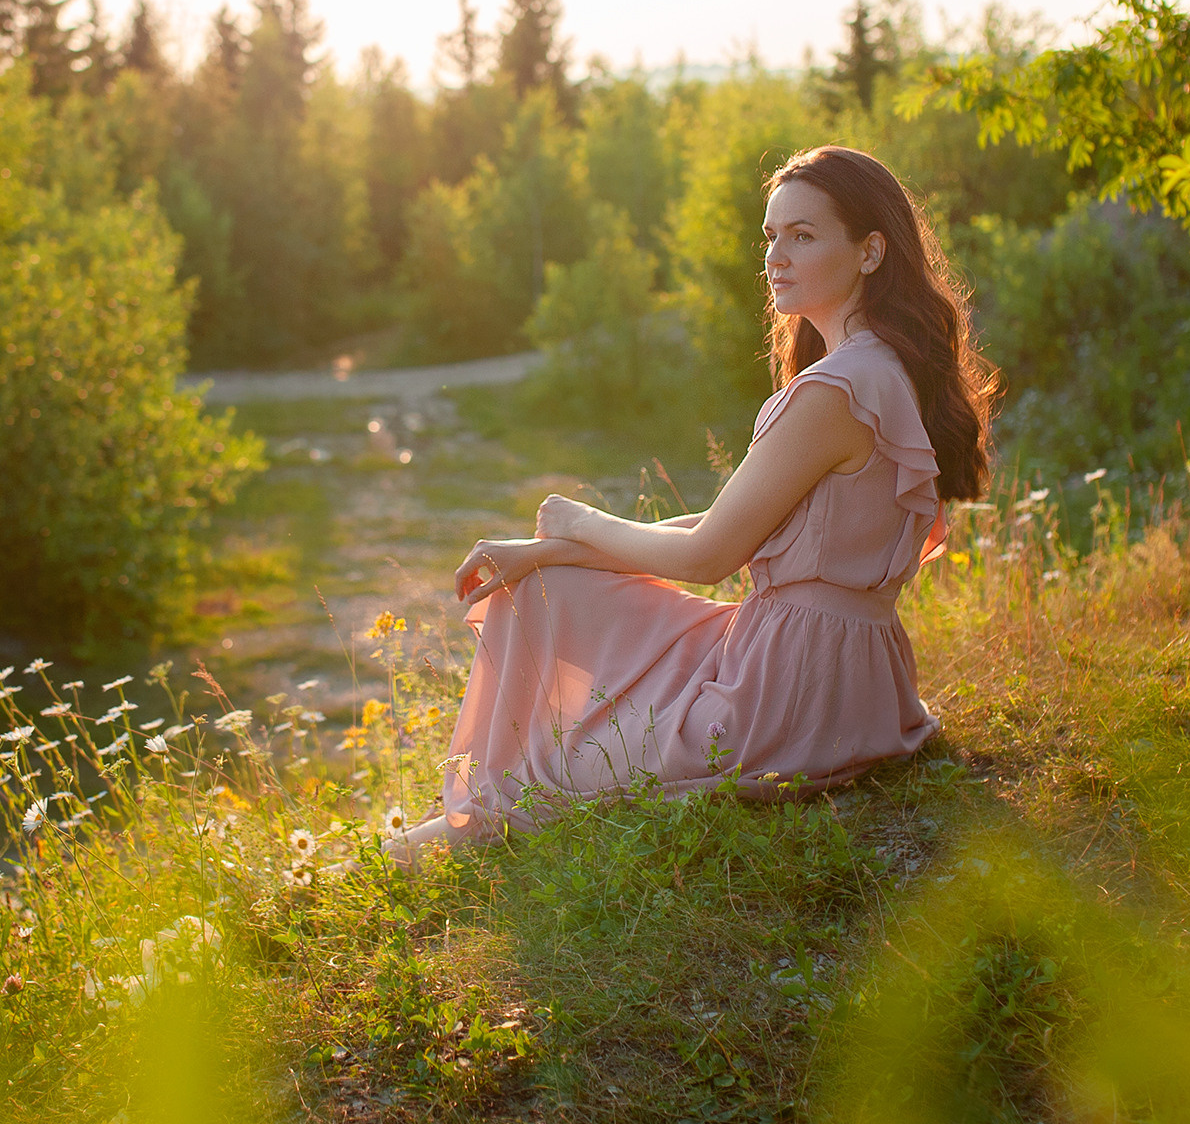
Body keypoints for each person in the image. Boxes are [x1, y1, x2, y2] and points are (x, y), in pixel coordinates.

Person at [389, 145, 995, 862]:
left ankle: (416, 848)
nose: (776, 256)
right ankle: (443, 829)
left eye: (803, 236)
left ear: (869, 251)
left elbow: (709, 556)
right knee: (548, 587)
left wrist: (575, 519)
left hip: (784, 696)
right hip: (844, 676)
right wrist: (548, 550)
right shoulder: (881, 370)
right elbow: (730, 523)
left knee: (556, 773)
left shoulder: (838, 390)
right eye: (771, 237)